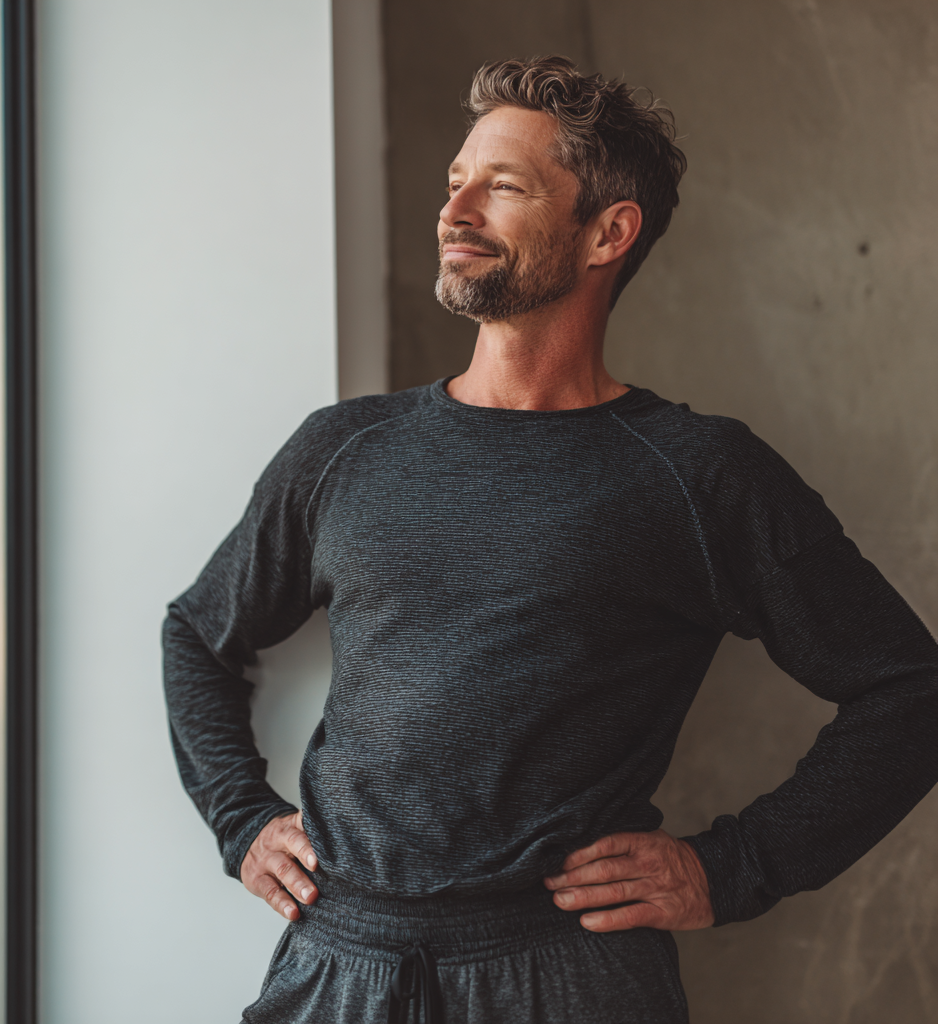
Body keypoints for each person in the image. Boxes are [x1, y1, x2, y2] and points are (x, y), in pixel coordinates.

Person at [162, 56, 938, 1023]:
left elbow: (909, 689)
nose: (456, 210)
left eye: (504, 186)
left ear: (609, 231)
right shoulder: (342, 450)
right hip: (337, 960)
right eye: (456, 183)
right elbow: (198, 634)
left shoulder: (698, 474)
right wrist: (241, 819)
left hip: (565, 975)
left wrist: (734, 867)